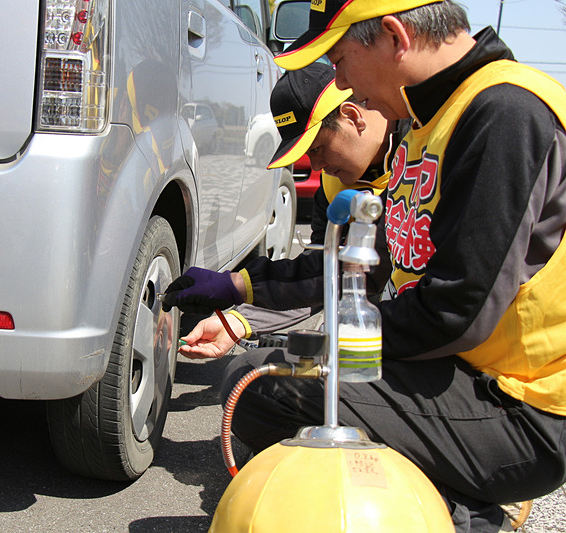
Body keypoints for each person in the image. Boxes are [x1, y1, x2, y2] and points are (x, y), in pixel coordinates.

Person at [164, 2, 566, 532]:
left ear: (394, 37)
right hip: (457, 371)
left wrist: (323, 347)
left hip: (520, 405)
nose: (342, 80)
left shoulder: (505, 114)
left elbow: (456, 312)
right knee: (253, 384)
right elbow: (370, 271)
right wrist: (241, 293)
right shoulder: (426, 127)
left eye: (341, 59)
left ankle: (466, 510)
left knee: (270, 389)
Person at [177, 62, 409, 359]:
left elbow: (361, 274)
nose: (315, 165)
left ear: (351, 117)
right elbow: (324, 274)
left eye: (317, 148)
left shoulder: (417, 155)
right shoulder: (333, 184)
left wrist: (237, 284)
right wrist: (240, 321)